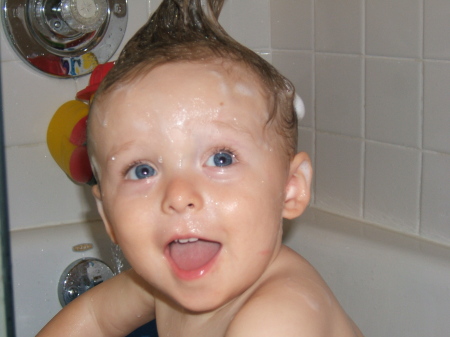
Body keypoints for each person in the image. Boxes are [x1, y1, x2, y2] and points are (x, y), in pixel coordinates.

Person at [38, 0, 363, 336]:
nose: (179, 195)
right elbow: (93, 318)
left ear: (290, 188)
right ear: (107, 215)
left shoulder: (278, 318)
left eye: (221, 159)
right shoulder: (159, 285)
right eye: (142, 170)